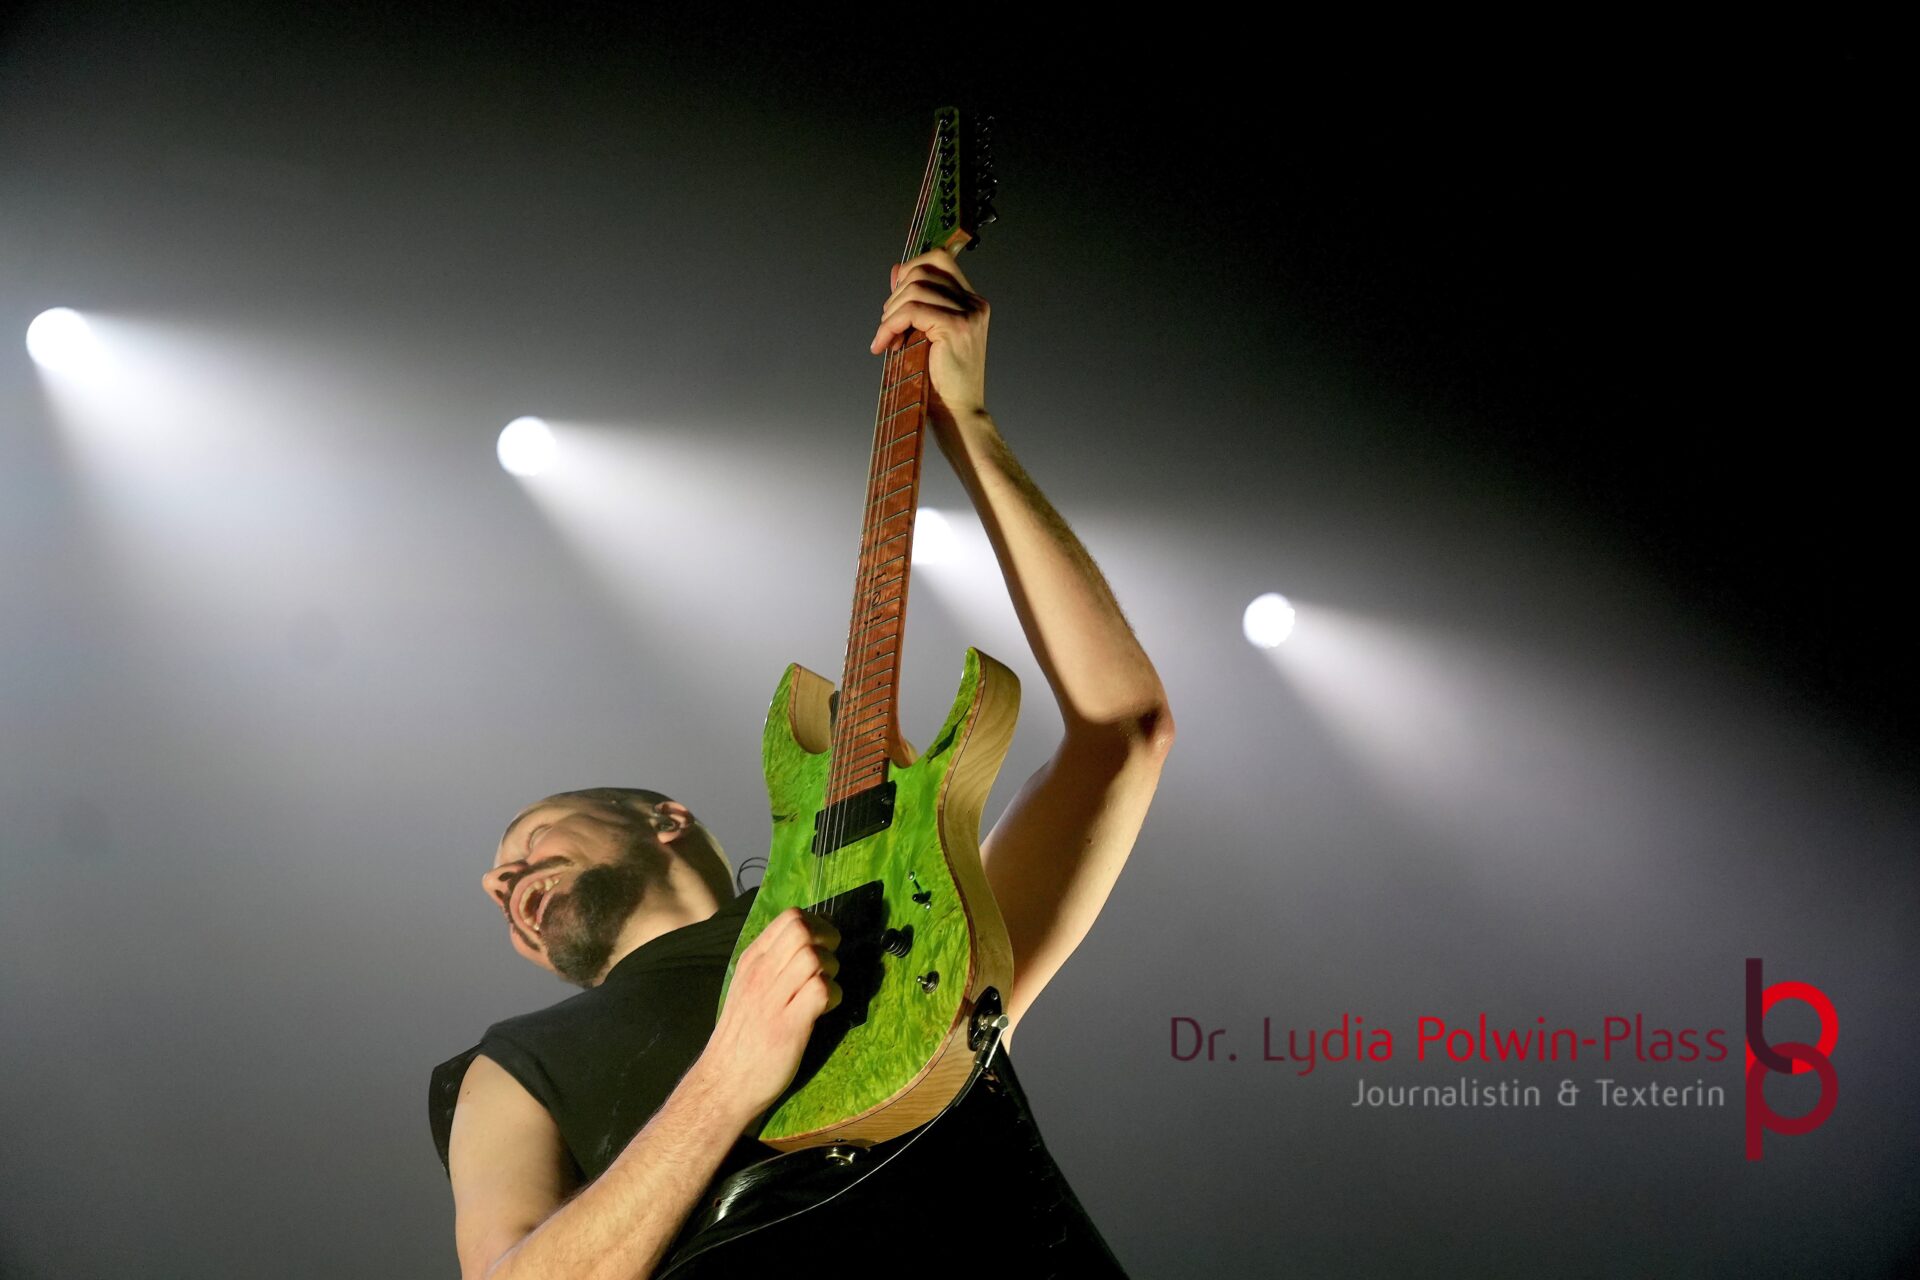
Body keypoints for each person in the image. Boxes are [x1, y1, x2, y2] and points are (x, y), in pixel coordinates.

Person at [429, 246, 1174, 1279]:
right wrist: (725, 1079)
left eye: (533, 837)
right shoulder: (512, 1065)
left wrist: (968, 426)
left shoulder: (898, 922)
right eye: (497, 879)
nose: (500, 877)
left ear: (664, 816)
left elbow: (1121, 733)